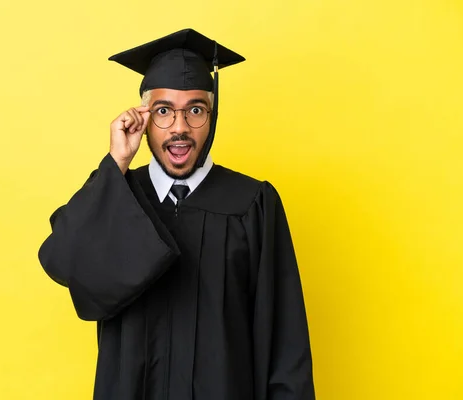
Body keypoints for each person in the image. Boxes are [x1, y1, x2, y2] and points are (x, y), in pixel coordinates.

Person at [38, 28, 315, 400]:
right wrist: (116, 162)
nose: (180, 128)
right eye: (163, 111)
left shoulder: (252, 204)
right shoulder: (119, 194)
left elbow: (285, 341)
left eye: (196, 110)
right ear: (143, 119)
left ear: (212, 116)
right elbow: (62, 258)